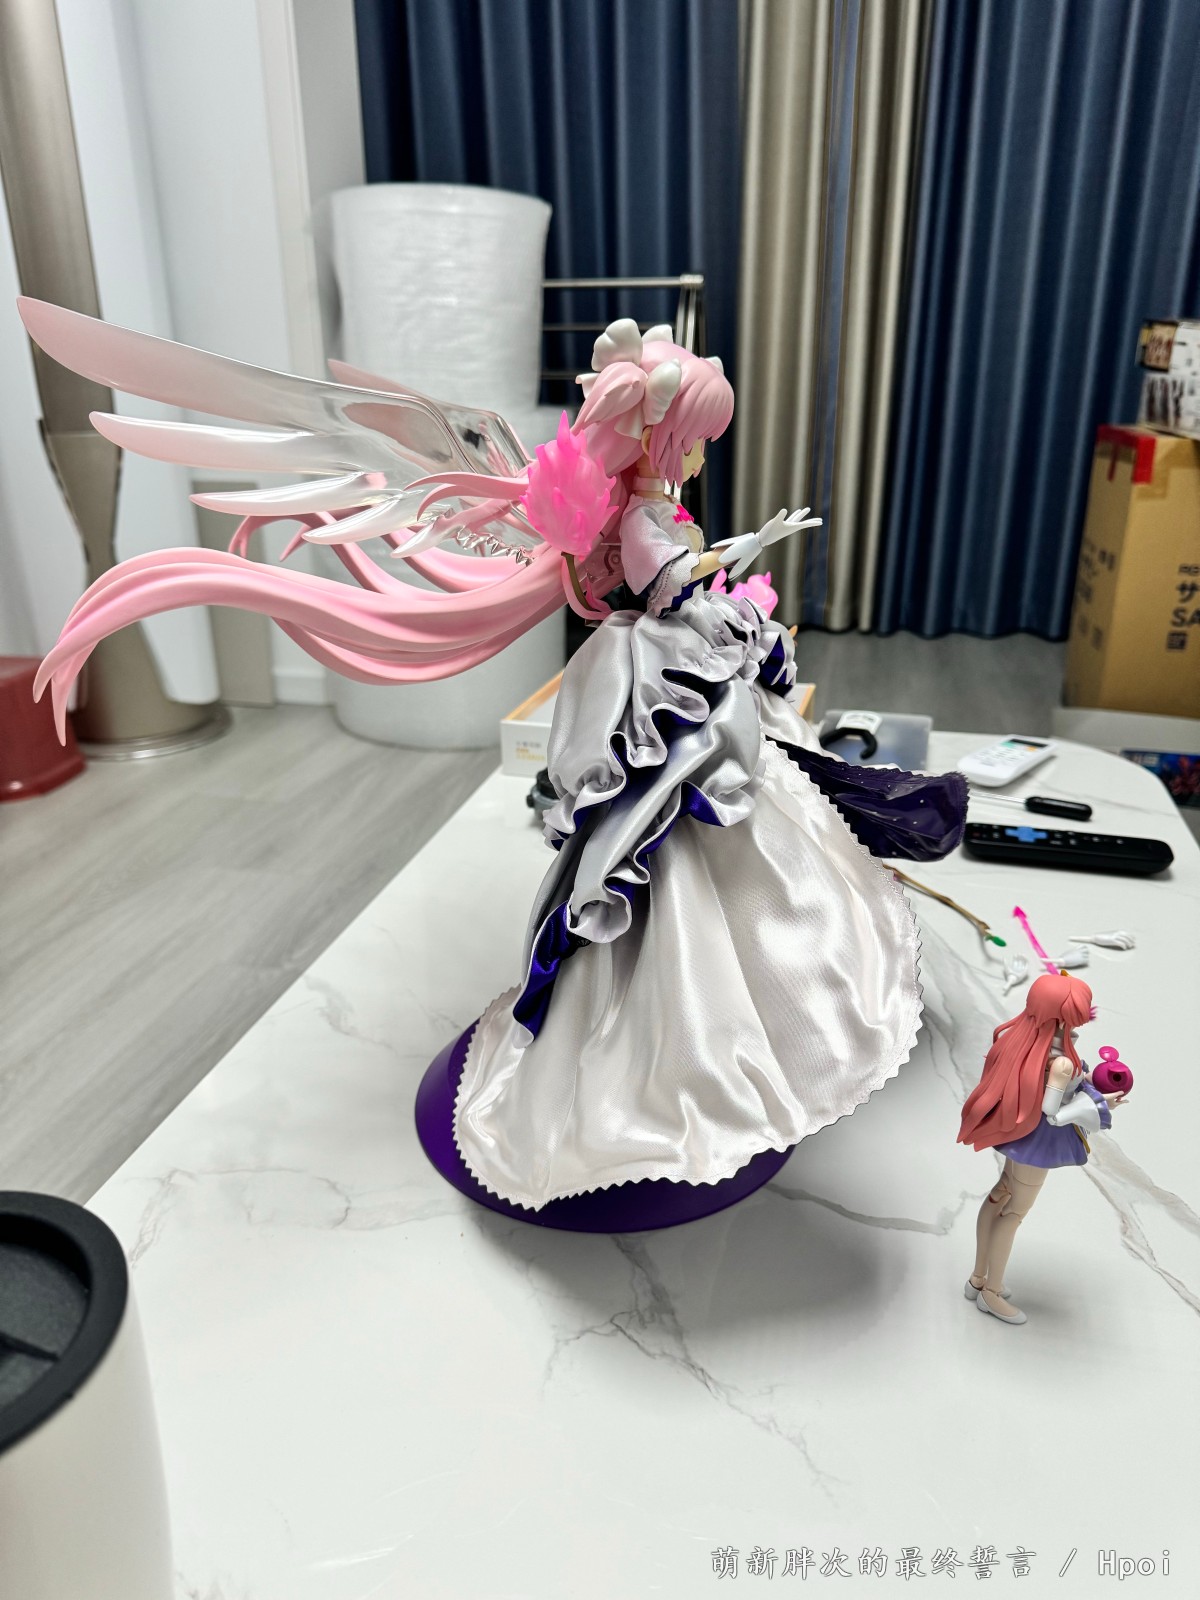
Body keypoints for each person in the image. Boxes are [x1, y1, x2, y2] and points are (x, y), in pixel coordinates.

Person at [21, 303, 967, 1212]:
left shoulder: (650, 507)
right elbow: (672, 593)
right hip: (665, 680)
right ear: (660, 435)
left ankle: (731, 1001)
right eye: (694, 438)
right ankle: (672, 1038)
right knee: (669, 838)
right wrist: (737, 576)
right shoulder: (641, 520)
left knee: (714, 835)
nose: (700, 456)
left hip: (678, 671)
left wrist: (737, 560)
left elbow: (679, 581)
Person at [958, 972, 1129, 1324]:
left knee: (1000, 1196)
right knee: (1014, 1214)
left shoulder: (1024, 1041)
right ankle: (992, 1292)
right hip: (1039, 1141)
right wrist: (1099, 1105)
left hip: (1019, 1135)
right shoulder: (1060, 1061)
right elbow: (1053, 1111)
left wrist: (1088, 1085)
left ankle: (978, 1278)